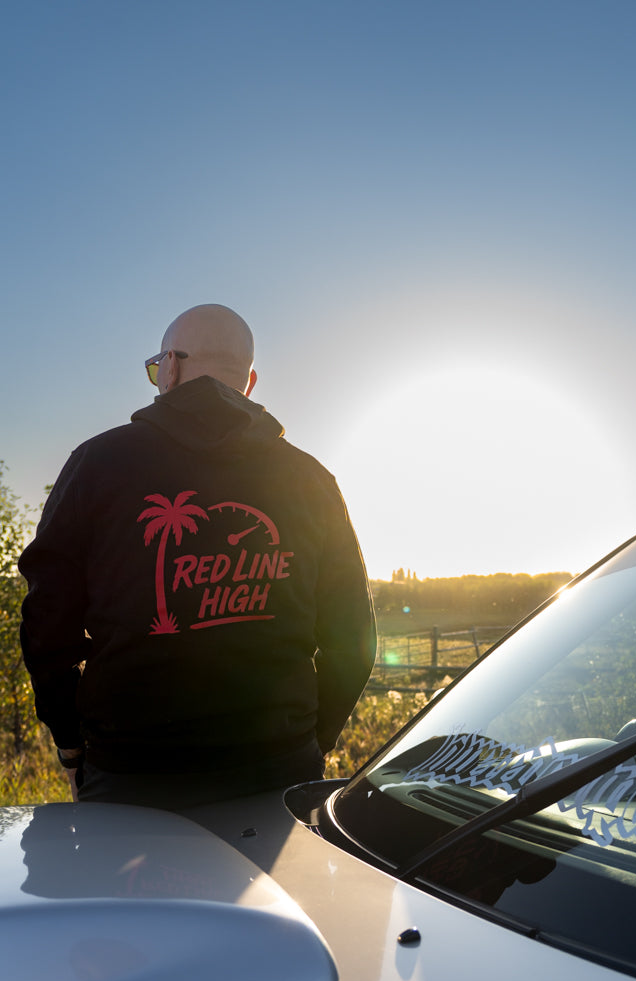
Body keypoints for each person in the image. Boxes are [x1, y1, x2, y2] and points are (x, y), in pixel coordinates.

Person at [19, 304, 376, 810]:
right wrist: (311, 743)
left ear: (170, 366)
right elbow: (354, 638)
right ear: (248, 381)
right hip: (278, 769)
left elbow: (46, 627)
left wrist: (70, 742)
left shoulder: (97, 465)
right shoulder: (311, 481)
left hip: (130, 775)